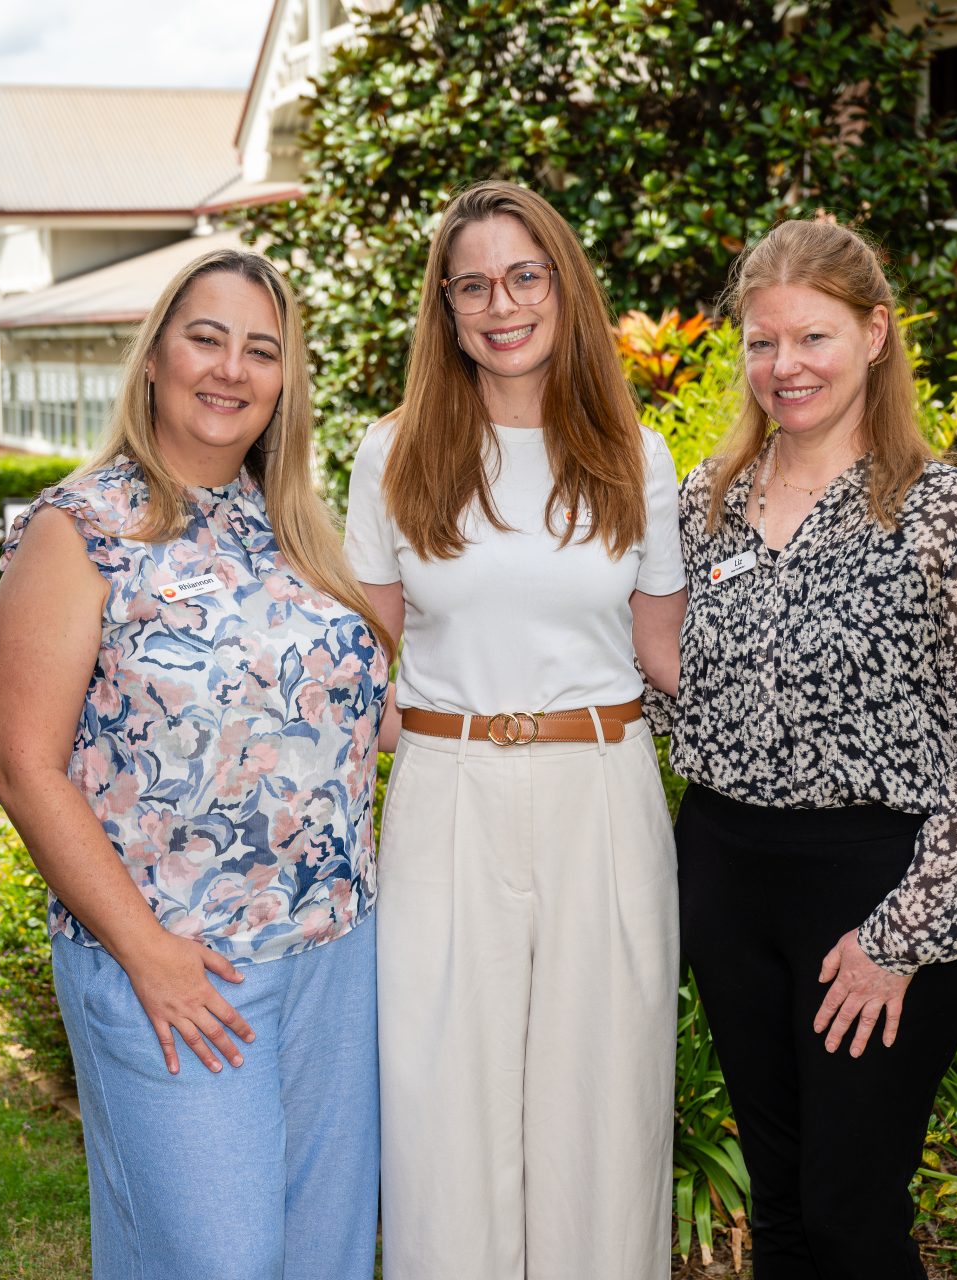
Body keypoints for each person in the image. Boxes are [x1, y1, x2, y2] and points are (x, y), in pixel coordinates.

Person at [0, 248, 391, 1280]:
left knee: (323, 1261)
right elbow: (24, 767)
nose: (231, 368)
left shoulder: (299, 531)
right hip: (174, 961)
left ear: (284, 381)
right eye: (206, 337)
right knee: (221, 1260)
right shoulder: (80, 531)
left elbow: (365, 720)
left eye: (262, 349)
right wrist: (146, 953)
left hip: (333, 958)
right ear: (157, 355)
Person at [667, 217, 957, 1279]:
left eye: (813, 338)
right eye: (762, 343)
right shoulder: (706, 505)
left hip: (881, 886)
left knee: (848, 1213)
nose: (785, 367)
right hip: (730, 878)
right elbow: (659, 678)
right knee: (779, 1212)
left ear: (875, 336)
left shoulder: (944, 513)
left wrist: (902, 936)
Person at [342, 180, 688, 1280]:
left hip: (602, 787)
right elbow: (358, 671)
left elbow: (669, 657)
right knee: (445, 1098)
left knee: (606, 1100)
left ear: (564, 286)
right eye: (473, 284)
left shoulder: (638, 454)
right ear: (444, 309)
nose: (502, 303)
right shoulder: (392, 453)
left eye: (524, 275)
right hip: (447, 788)